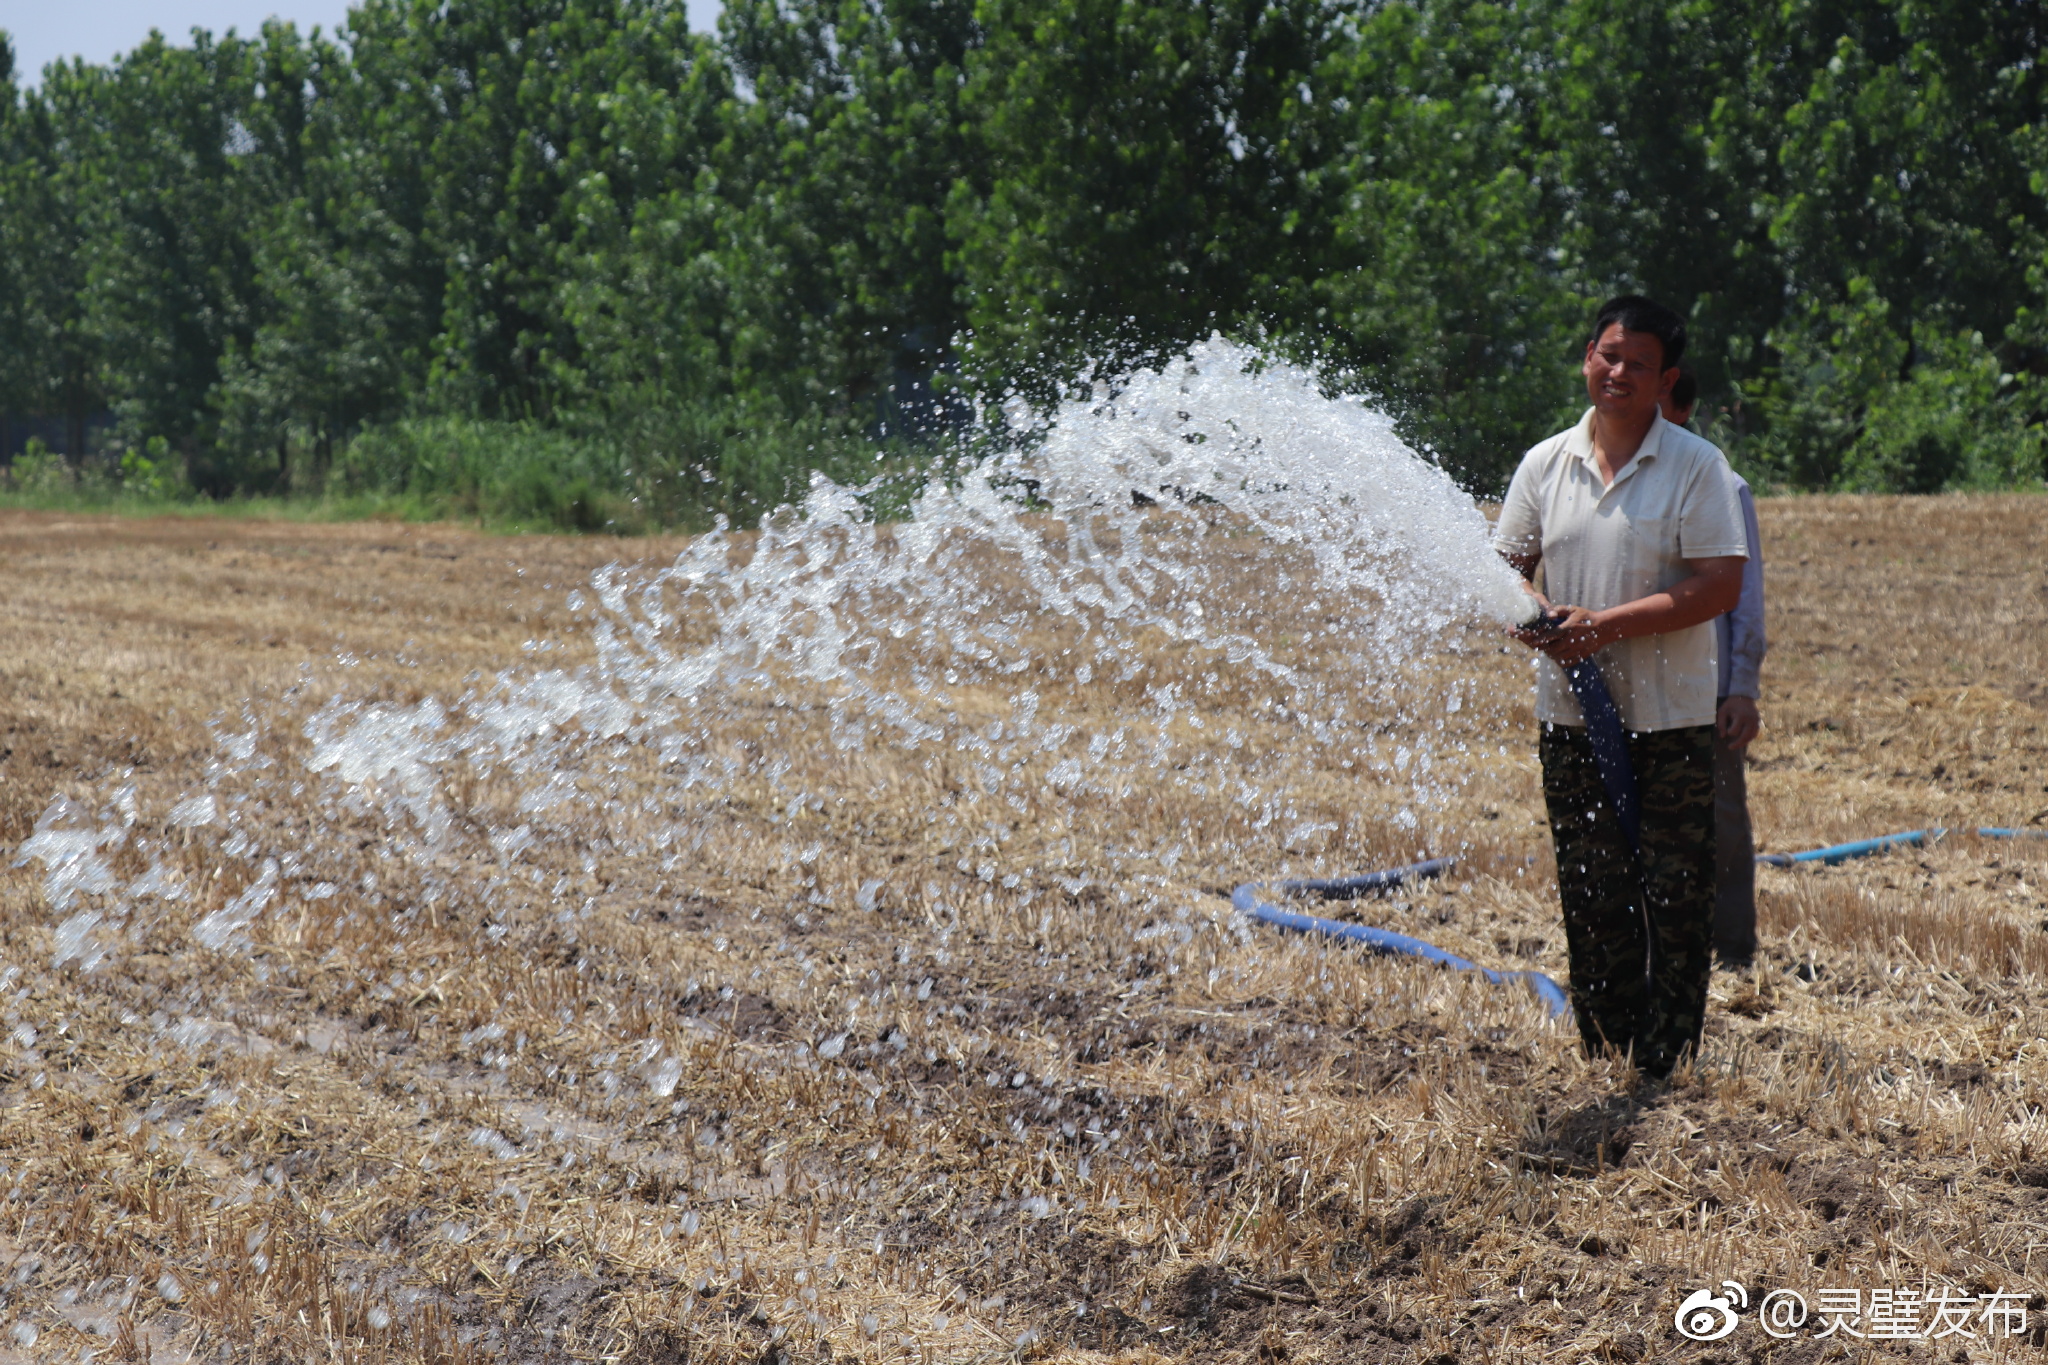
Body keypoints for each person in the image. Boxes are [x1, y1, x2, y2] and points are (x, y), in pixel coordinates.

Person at [1494, 296, 1749, 1080]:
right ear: (1586, 357)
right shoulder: (1545, 464)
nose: (1619, 373)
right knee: (1592, 890)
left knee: (1675, 897)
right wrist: (1539, 618)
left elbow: (1718, 586)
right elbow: (1506, 569)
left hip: (1671, 719)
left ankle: (1669, 1061)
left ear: (1665, 377)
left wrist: (1605, 624)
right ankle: (1607, 1052)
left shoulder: (1696, 467)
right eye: (1609, 355)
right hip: (1572, 719)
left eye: (1639, 363)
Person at [1660, 366, 1765, 963]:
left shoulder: (1727, 488)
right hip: (1637, 689)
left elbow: (1745, 600)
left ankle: (1730, 950)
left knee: (1719, 823)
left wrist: (1742, 688)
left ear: (1677, 410)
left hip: (1708, 692)